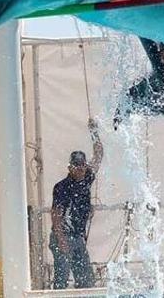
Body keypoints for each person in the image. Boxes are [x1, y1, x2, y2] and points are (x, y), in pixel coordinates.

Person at [49, 118, 104, 289]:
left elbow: (99, 154)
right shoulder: (62, 187)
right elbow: (56, 215)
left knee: (86, 281)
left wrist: (94, 132)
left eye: (82, 166)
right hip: (62, 237)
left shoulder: (87, 178)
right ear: (70, 168)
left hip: (78, 238)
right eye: (76, 166)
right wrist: (61, 240)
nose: (80, 170)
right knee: (61, 281)